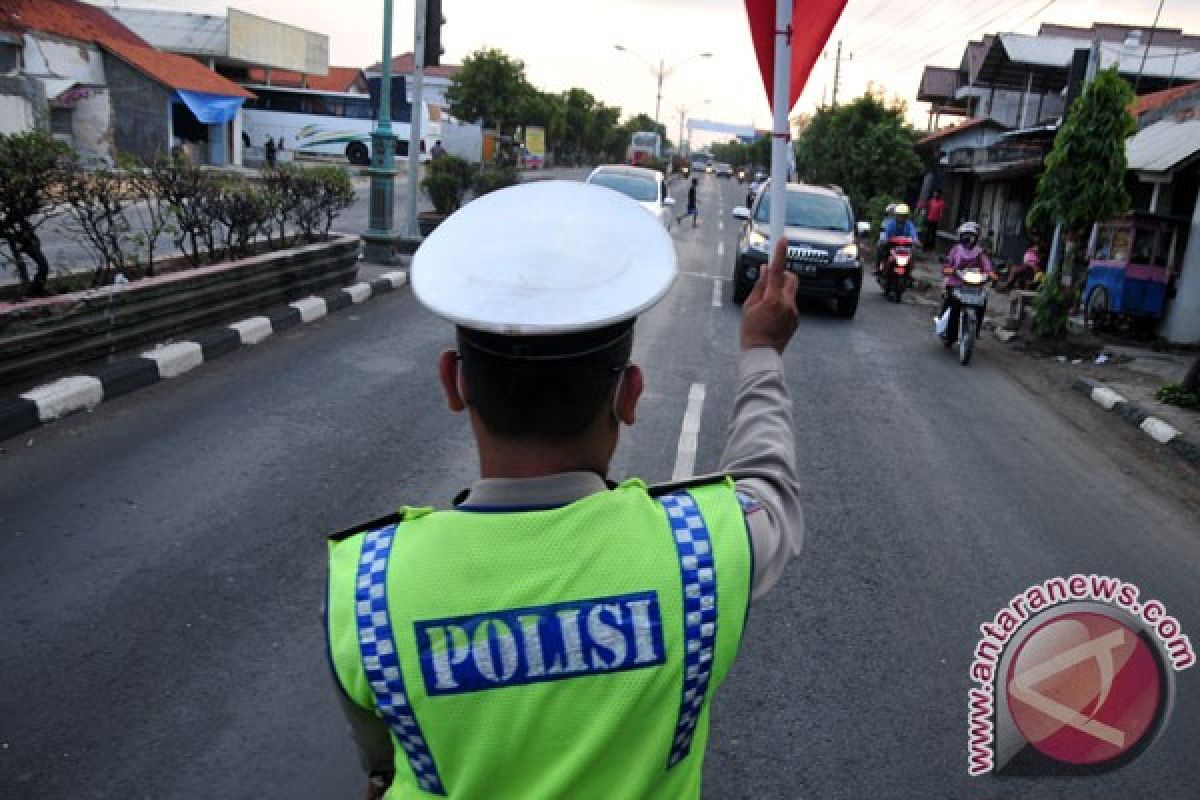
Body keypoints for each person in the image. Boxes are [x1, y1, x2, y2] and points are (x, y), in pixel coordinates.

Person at [325, 181, 803, 799]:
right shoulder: (701, 555)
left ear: (453, 383)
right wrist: (762, 350)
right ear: (628, 394)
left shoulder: (363, 584)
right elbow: (771, 487)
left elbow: (385, 762)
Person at [940, 221, 995, 342]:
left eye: (971, 235)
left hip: (974, 285)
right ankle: (948, 331)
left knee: (982, 301)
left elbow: (987, 266)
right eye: (965, 235)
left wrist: (990, 274)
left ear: (976, 237)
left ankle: (976, 331)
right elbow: (947, 265)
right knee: (952, 302)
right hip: (955, 283)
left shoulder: (979, 252)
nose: (968, 238)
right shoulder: (956, 249)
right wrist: (950, 270)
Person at [876, 203, 918, 271]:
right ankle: (879, 267)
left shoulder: (909, 224)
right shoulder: (891, 223)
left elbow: (913, 233)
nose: (901, 217)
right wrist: (884, 239)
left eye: (903, 215)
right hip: (892, 246)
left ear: (906, 216)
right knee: (880, 248)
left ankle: (910, 269)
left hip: (905, 247)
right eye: (899, 215)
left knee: (914, 251)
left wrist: (915, 240)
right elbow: (886, 233)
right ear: (896, 215)